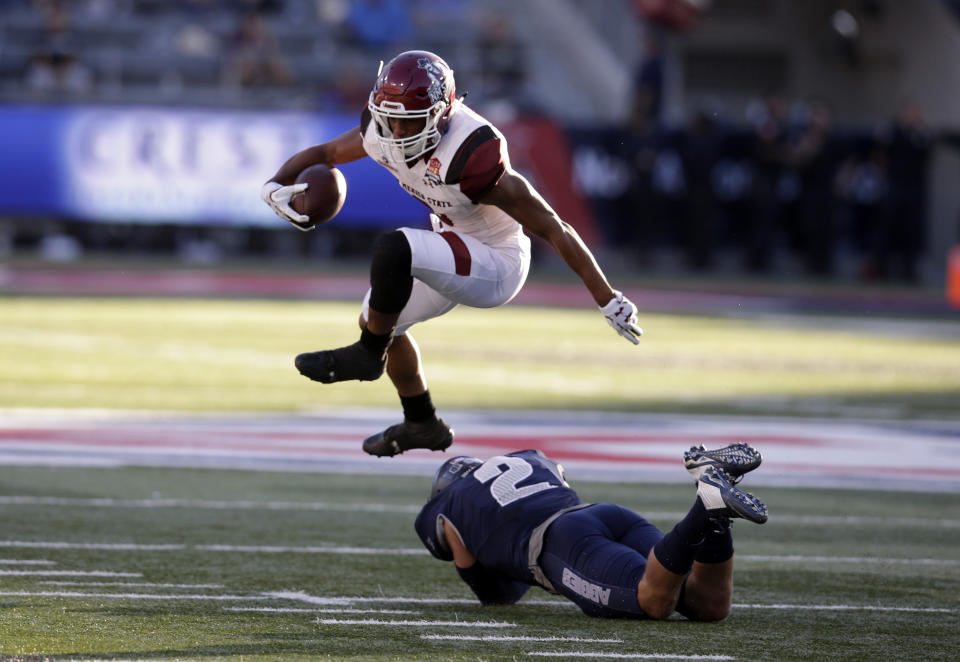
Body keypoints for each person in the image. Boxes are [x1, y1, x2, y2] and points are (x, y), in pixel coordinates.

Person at [261, 50, 643, 457]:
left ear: (441, 115)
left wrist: (607, 298)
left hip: (496, 260)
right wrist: (274, 185)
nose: (393, 130)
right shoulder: (383, 129)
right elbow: (324, 155)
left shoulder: (472, 152)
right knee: (379, 320)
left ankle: (366, 358)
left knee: (396, 250)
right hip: (449, 243)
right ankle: (421, 423)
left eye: (406, 121)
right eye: (388, 118)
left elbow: (553, 226)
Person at [414, 443, 766, 620]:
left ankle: (705, 507)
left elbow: (494, 593)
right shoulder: (527, 458)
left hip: (561, 543)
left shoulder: (449, 509)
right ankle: (715, 513)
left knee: (655, 601)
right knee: (709, 604)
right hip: (600, 514)